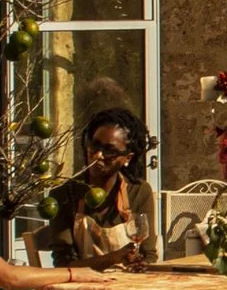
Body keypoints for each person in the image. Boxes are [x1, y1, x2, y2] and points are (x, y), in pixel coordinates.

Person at [42, 108, 154, 268]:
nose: (98, 155)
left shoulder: (138, 192)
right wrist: (112, 258)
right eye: (95, 146)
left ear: (127, 158)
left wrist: (139, 262)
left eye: (110, 150)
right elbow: (64, 265)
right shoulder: (65, 195)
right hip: (79, 288)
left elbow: (148, 255)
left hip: (129, 287)